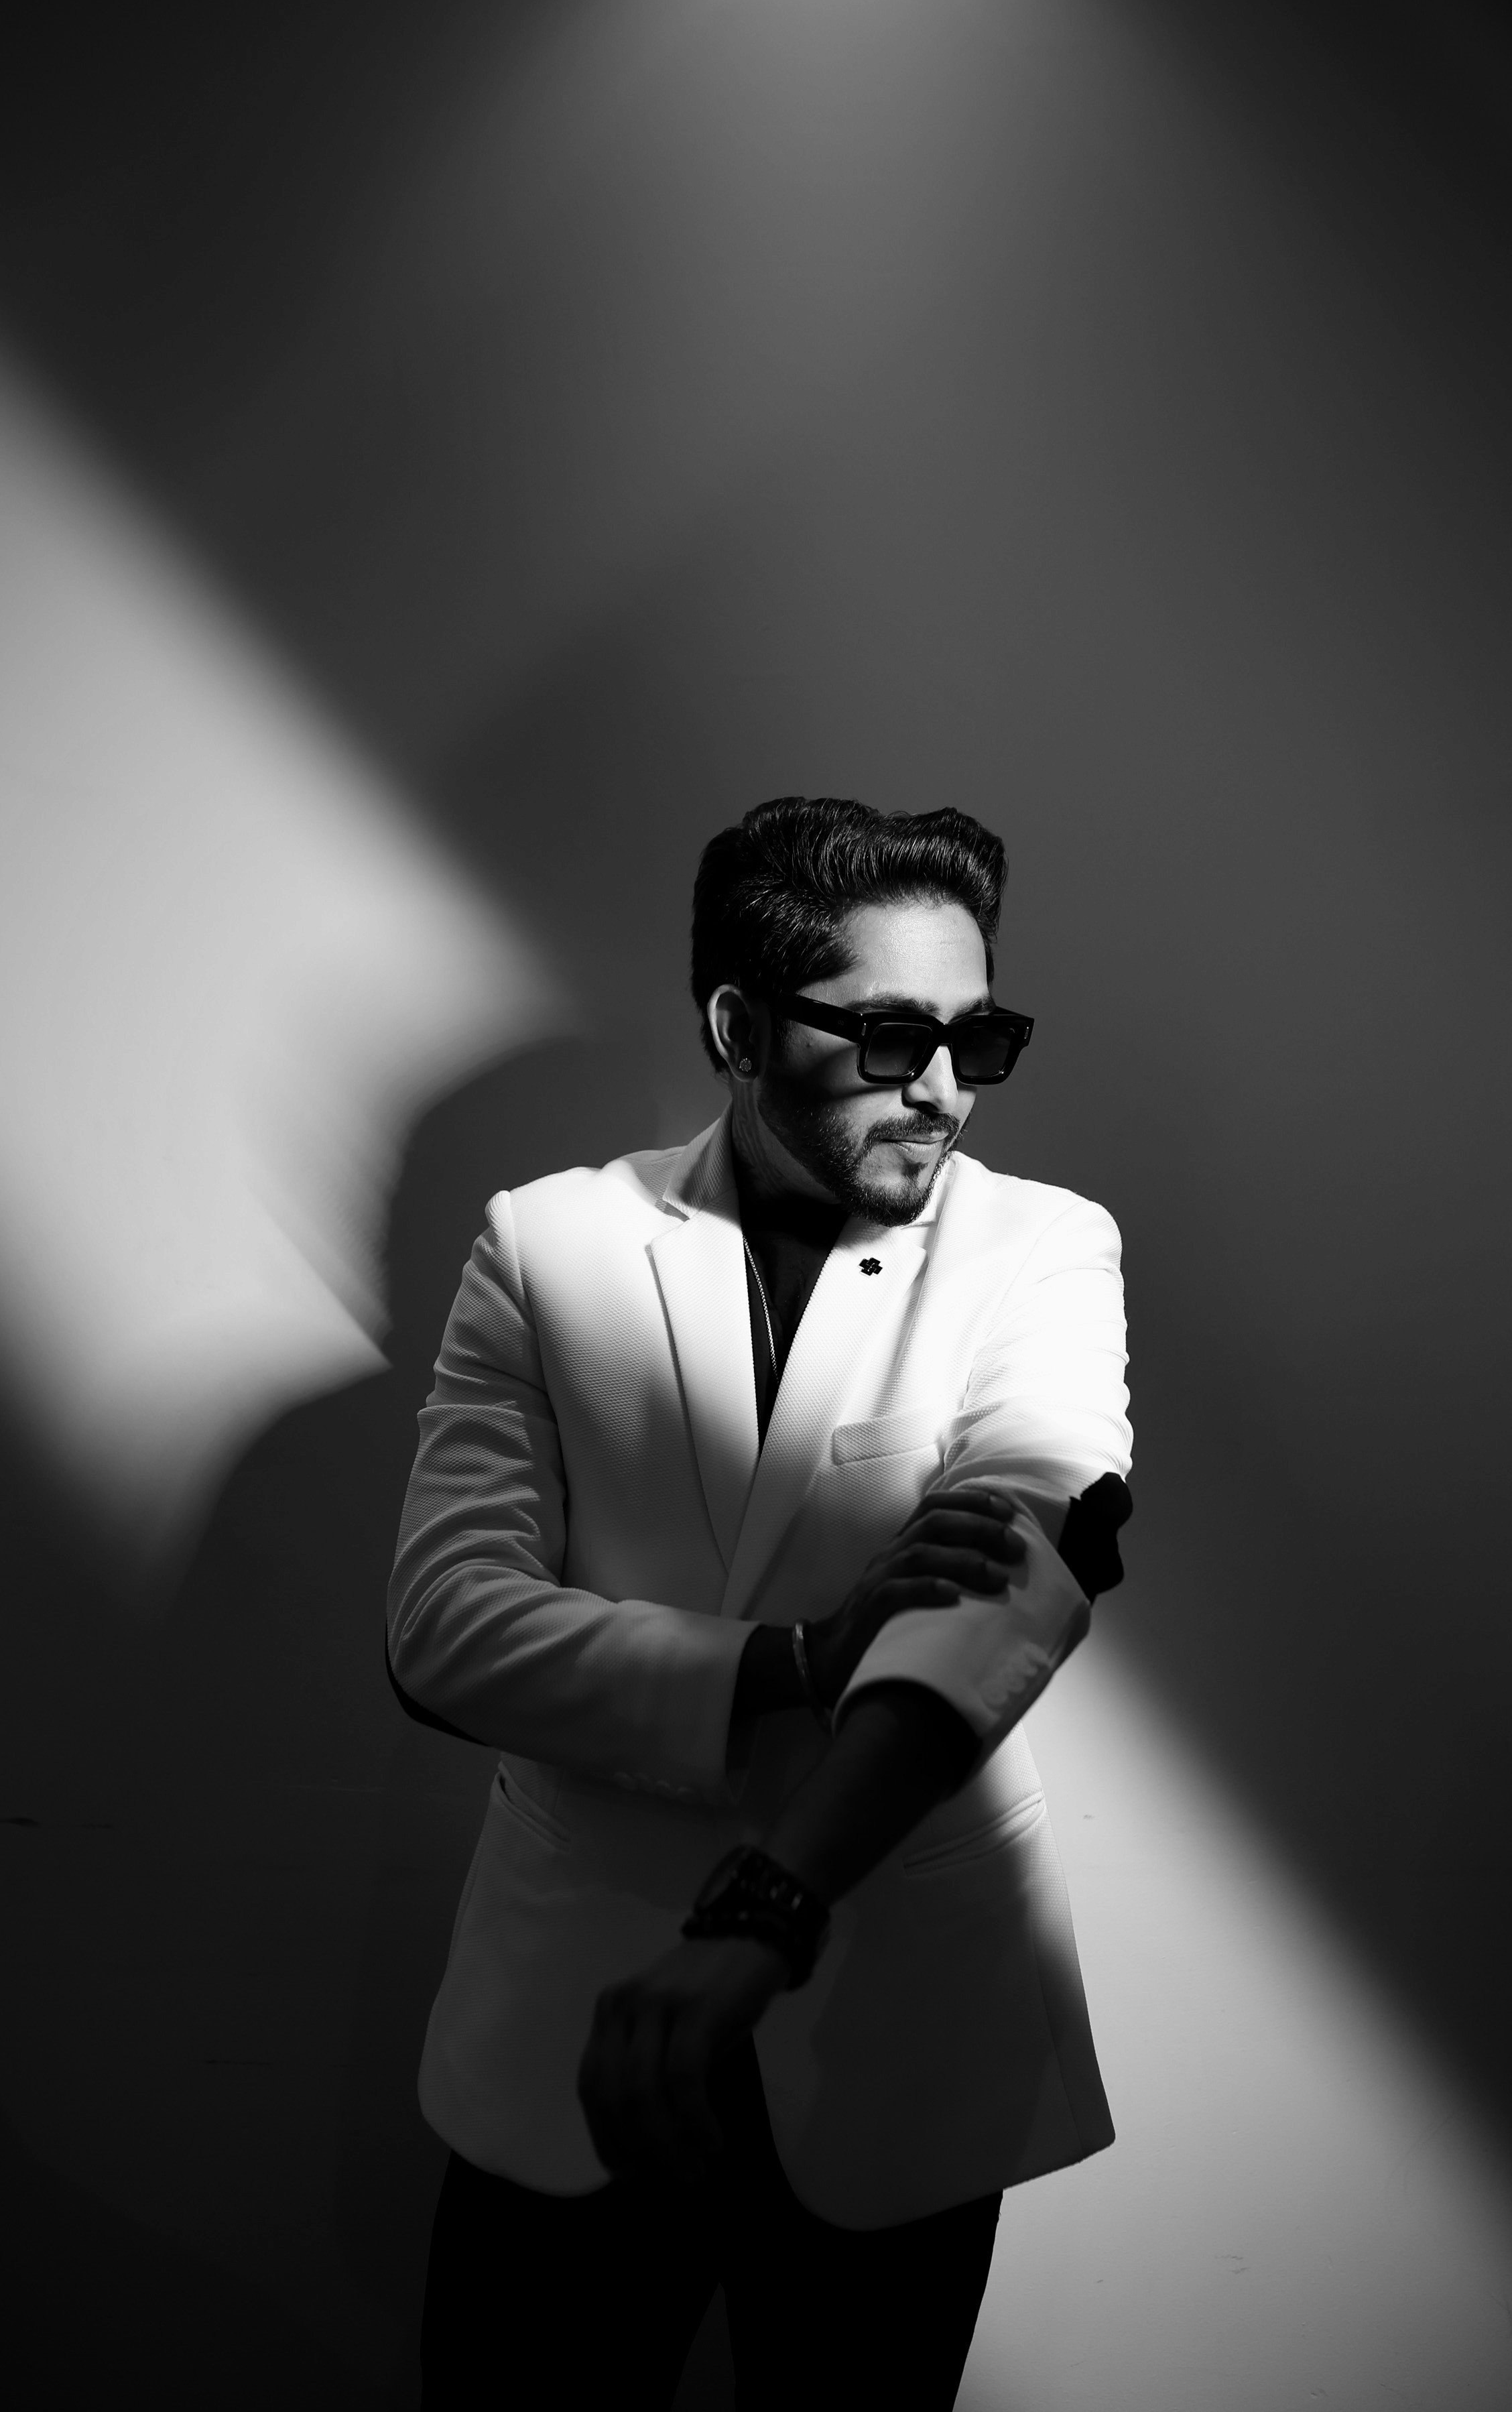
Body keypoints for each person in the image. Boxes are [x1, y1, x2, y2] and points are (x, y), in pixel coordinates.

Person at [388, 797, 1132, 2408]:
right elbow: (445, 1628)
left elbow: (1013, 1583)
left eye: (976, 1038)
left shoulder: (1042, 1249)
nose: (942, 1090)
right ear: (737, 1027)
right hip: (569, 2030)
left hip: (902, 2029)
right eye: (888, 1037)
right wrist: (793, 1659)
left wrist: (762, 1918)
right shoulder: (546, 1244)